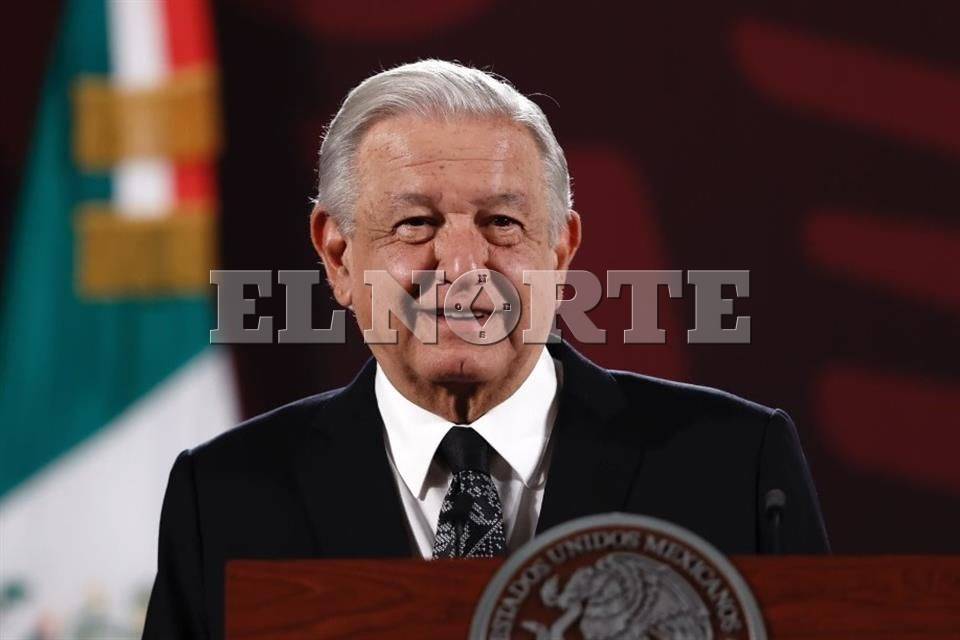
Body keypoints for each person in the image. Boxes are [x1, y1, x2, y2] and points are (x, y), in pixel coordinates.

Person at [143, 59, 828, 639]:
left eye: (502, 222)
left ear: (560, 252)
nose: (465, 266)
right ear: (339, 256)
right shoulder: (227, 495)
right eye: (416, 224)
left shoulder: (738, 466)